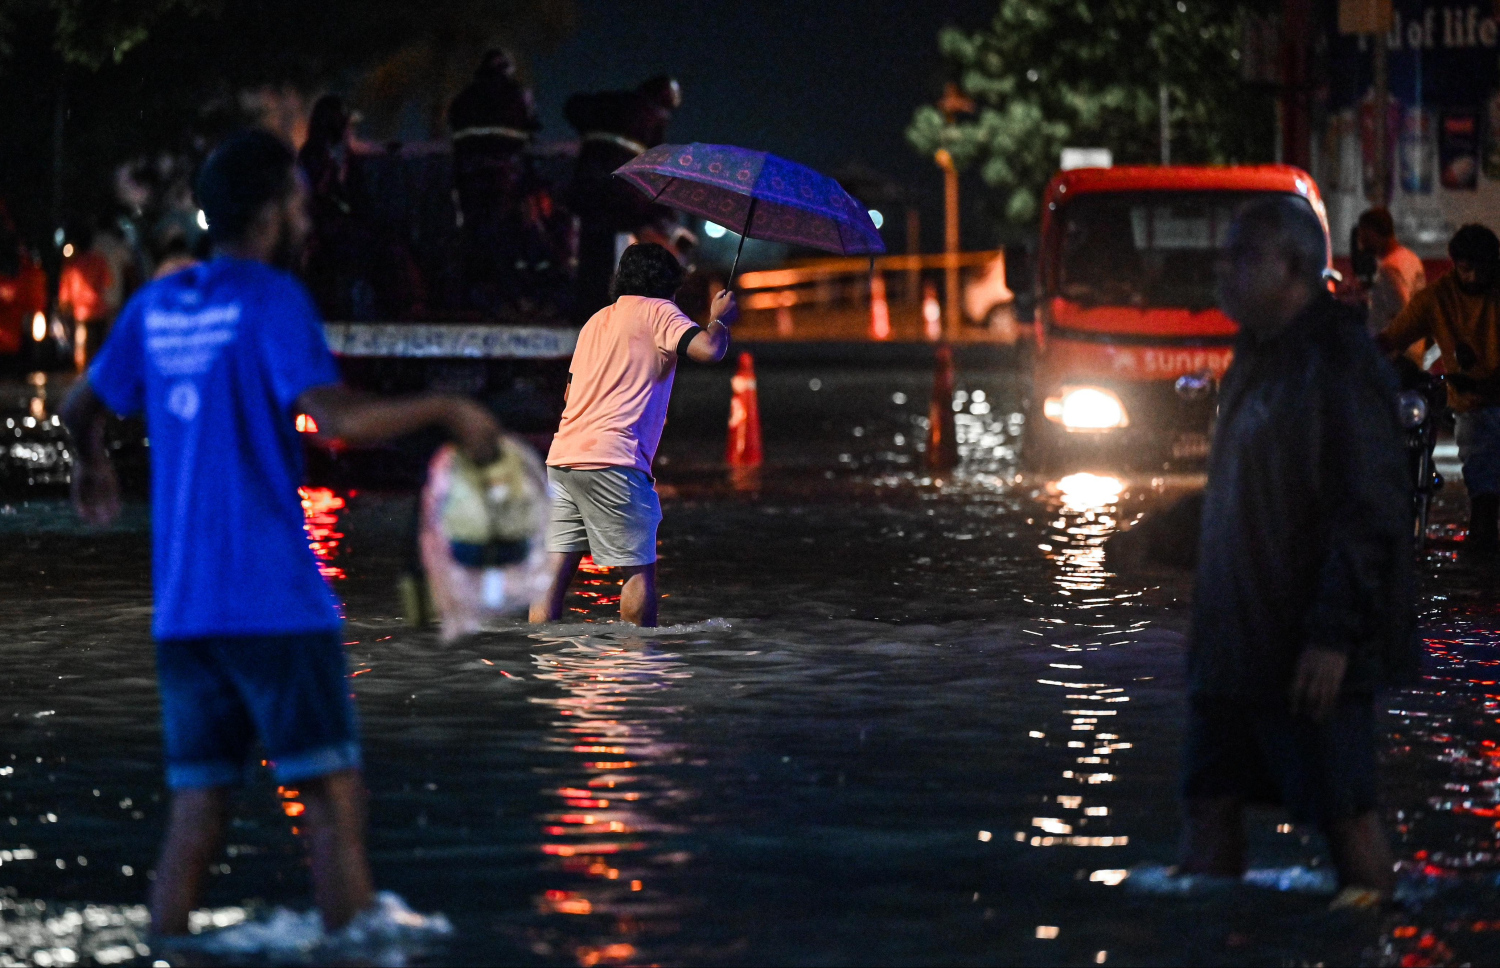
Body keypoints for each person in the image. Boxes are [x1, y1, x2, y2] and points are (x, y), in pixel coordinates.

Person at [60, 130, 501, 937]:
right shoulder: (270, 298)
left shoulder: (159, 305)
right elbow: (336, 417)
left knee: (197, 813)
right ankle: (356, 951)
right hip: (273, 601)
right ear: (269, 214)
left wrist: (92, 466)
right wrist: (446, 412)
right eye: (298, 203)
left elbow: (77, 407)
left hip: (185, 614)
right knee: (334, 799)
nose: (306, 216)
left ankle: (167, 948)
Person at [1181, 197, 1417, 906]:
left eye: (1241, 257)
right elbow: (1248, 492)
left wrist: (1333, 635)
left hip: (1307, 646)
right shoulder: (1259, 351)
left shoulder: (1337, 360)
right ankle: (1211, 933)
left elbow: (1370, 507)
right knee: (1209, 798)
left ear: (1292, 268)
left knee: (1344, 813)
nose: (1222, 272)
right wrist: (1155, 540)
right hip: (1237, 643)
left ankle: (1371, 934)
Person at [530, 242, 735, 627]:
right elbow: (709, 349)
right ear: (669, 284)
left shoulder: (597, 320)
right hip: (615, 461)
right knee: (638, 573)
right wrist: (719, 318)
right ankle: (635, 665)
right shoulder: (661, 311)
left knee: (552, 576)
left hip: (562, 459)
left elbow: (569, 393)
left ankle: (543, 662)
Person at [1378, 224, 1500, 553]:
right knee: (1482, 477)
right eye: (1465, 269)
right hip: (1472, 403)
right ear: (1454, 264)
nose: (1473, 278)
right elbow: (1394, 336)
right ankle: (1484, 539)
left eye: (1482, 269)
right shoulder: (1438, 298)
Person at [1357, 207, 1426, 337]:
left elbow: (1401, 314)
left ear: (1374, 233)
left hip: (1396, 351)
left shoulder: (1390, 268)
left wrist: (1383, 346)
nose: (1361, 243)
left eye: (1364, 235)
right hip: (1412, 348)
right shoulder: (1411, 258)